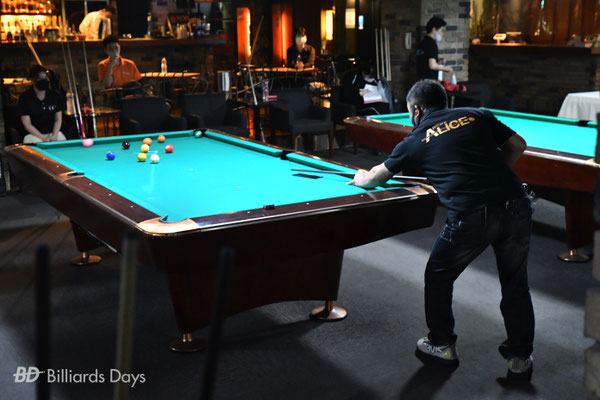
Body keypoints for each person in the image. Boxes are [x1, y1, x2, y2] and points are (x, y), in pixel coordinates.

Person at [348, 80, 535, 380]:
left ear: (417, 110)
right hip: (516, 204)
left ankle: (442, 344)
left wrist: (361, 177)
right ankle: (520, 359)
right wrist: (490, 176)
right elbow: (518, 146)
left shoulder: (415, 138)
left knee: (438, 275)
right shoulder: (477, 115)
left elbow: (374, 179)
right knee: (515, 284)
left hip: (472, 216)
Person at [17, 65, 67, 144]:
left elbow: (58, 119)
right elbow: (27, 124)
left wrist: (54, 135)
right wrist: (43, 138)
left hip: (53, 133)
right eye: (39, 78)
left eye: (45, 78)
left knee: (62, 141)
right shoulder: (25, 98)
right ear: (32, 80)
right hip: (33, 135)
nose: (43, 80)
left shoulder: (55, 96)